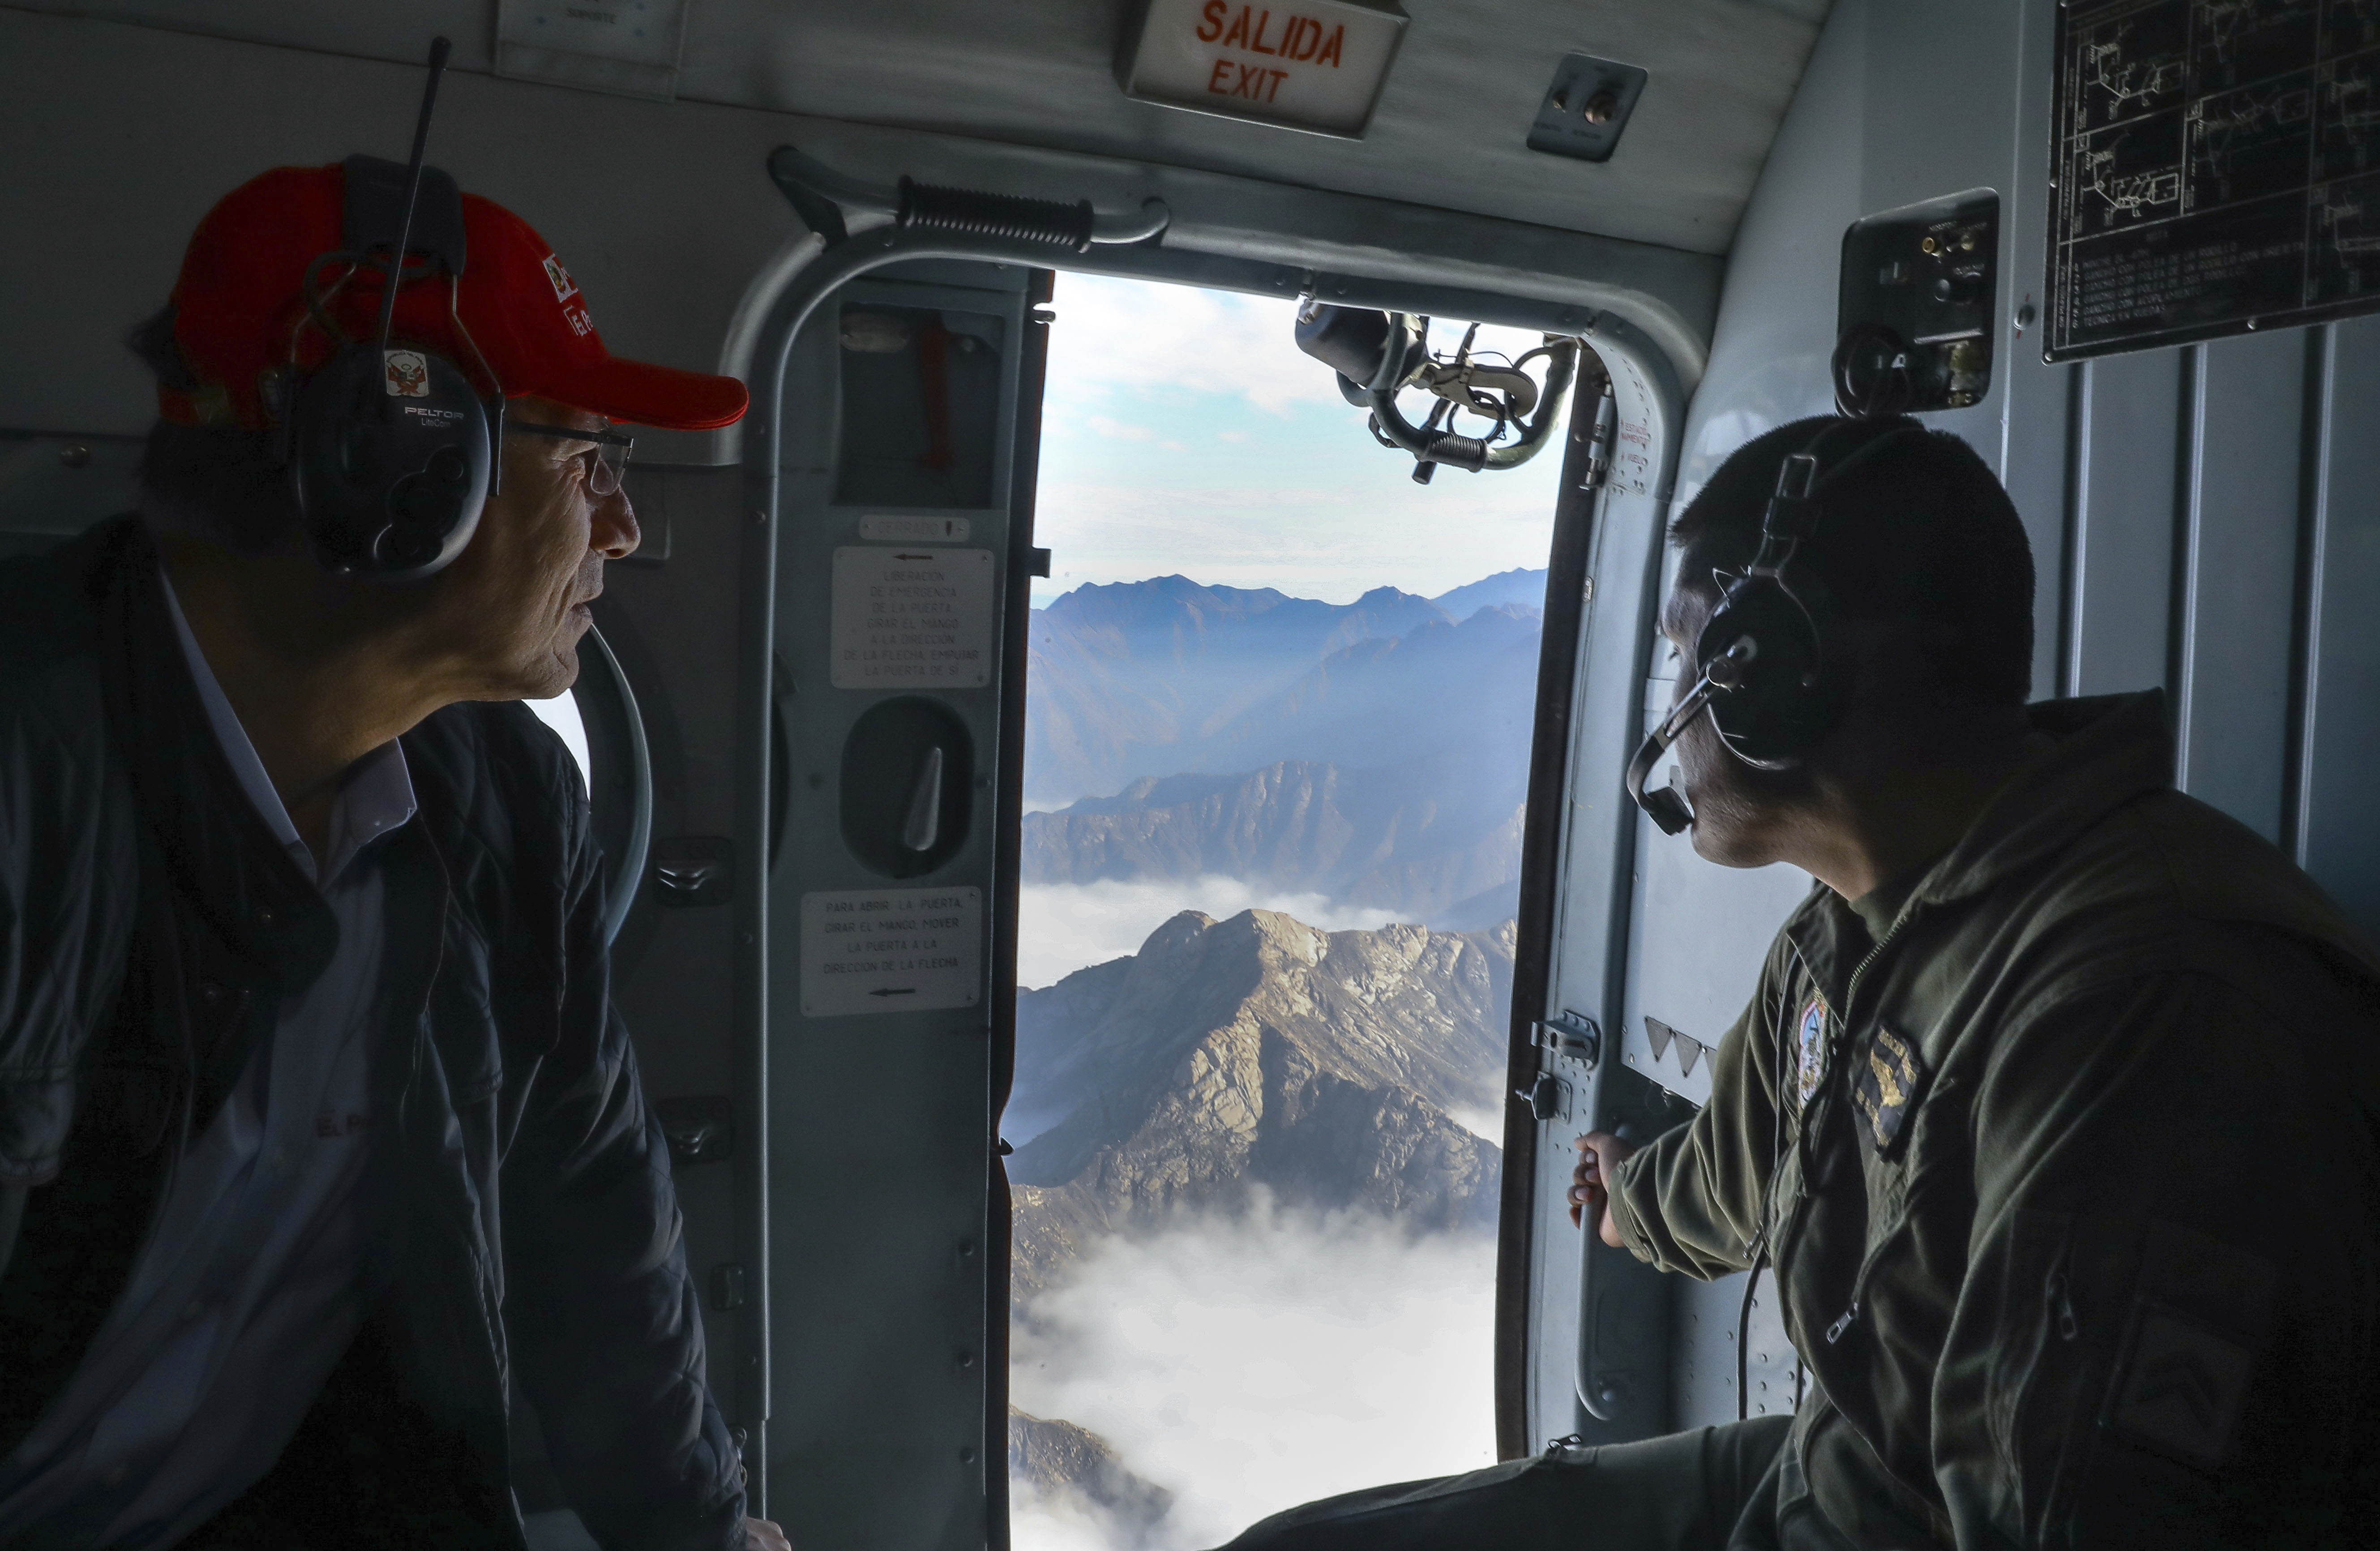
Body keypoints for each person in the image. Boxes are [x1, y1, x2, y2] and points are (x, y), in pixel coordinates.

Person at [1217, 416, 2380, 1549]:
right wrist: (1624, 1195)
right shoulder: (1852, 930)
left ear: (1769, 672)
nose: (1668, 709)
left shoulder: (2142, 1004)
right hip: (1839, 1461)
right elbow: (1741, 1171)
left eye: (1685, 653)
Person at [0, 162, 789, 1549]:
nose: (627, 526)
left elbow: (592, 1223)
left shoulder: (510, 800)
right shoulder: (28, 778)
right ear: (394, 455)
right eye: (590, 458)